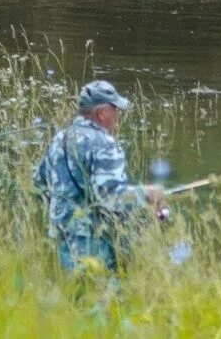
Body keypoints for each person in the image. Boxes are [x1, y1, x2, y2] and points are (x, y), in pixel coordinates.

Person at [32, 79, 165, 274]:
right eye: (115, 110)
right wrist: (146, 193)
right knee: (104, 298)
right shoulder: (105, 144)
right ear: (102, 113)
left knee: (73, 298)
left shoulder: (59, 139)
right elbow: (111, 198)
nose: (118, 116)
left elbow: (39, 184)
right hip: (96, 242)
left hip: (61, 238)